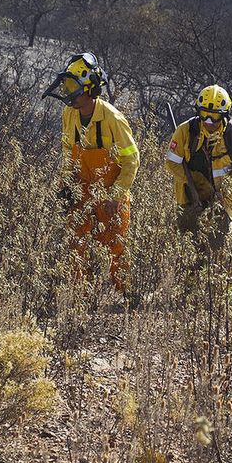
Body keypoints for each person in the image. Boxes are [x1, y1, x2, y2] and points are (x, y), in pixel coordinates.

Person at [46, 52, 139, 293]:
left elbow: (131, 160)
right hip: (82, 188)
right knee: (76, 243)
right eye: (67, 87)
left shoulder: (113, 118)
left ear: (90, 88)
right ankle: (81, 298)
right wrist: (66, 183)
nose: (69, 94)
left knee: (116, 247)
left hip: (111, 193)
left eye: (73, 88)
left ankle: (126, 297)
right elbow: (68, 150)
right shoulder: (69, 114)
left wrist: (116, 196)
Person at [165, 84, 232, 264]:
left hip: (223, 202)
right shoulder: (184, 131)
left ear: (224, 114)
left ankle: (212, 288)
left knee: (216, 253)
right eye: (204, 114)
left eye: (216, 116)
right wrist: (193, 182)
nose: (209, 121)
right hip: (189, 200)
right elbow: (172, 162)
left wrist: (224, 191)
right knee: (188, 251)